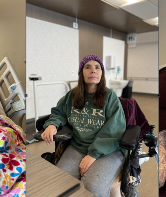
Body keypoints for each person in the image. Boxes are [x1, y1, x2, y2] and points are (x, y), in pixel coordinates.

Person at [41, 54, 126, 197]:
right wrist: (52, 125)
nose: (93, 70)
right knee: (60, 182)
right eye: (88, 67)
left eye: (97, 67)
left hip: (108, 150)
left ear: (101, 74)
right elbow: (59, 112)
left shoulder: (110, 97)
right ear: (81, 73)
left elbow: (114, 130)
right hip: (78, 146)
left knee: (92, 188)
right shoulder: (72, 95)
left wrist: (93, 154)